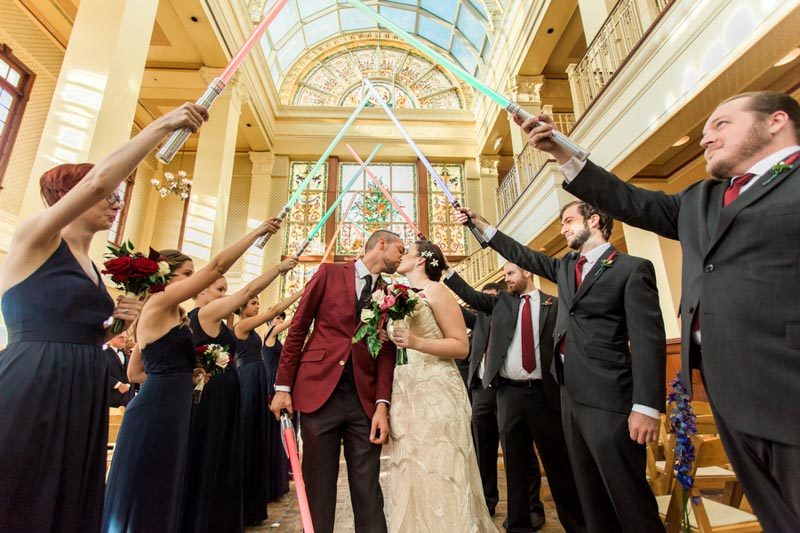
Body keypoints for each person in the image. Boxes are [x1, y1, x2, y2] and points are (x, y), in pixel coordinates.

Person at [522, 91, 800, 531]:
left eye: (721, 124)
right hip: (731, 394)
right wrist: (563, 153)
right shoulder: (702, 199)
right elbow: (630, 200)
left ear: (776, 121)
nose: (705, 139)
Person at [0, 102, 207, 532]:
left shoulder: (91, 265)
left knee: (70, 487)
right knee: (25, 481)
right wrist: (164, 124)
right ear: (72, 198)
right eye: (111, 196)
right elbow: (98, 180)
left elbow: (85, 331)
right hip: (37, 372)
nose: (115, 203)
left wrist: (117, 325)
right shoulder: (36, 237)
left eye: (117, 197)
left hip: (82, 378)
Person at [456, 204, 666, 533]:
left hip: (610, 397)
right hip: (569, 396)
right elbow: (521, 254)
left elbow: (647, 340)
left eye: (569, 221)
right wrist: (481, 225)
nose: (563, 228)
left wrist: (647, 406)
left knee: (626, 493)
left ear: (594, 220)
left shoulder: (632, 268)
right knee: (589, 491)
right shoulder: (566, 268)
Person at [270, 230, 403, 533]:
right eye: (400, 249)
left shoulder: (389, 293)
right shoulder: (328, 273)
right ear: (381, 244)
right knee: (318, 488)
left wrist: (382, 404)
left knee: (368, 490)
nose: (402, 257)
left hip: (363, 401)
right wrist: (282, 388)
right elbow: (298, 328)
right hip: (319, 392)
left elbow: (386, 353)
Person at [445, 262, 585, 533]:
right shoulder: (502, 304)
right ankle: (519, 525)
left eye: (510, 273)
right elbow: (471, 296)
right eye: (504, 274)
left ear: (527, 272)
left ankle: (577, 525)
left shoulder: (554, 305)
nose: (506, 279)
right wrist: (445, 271)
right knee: (515, 463)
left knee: (558, 463)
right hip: (509, 393)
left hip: (545, 393)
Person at [385, 241, 498, 532]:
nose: (401, 256)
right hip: (405, 390)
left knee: (440, 466)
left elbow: (461, 346)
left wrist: (416, 342)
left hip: (436, 389)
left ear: (421, 260)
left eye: (407, 252)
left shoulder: (437, 291)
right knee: (409, 464)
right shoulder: (397, 295)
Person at [181, 256, 297, 533]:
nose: (224, 295)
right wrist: (287, 277)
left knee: (229, 450)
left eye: (225, 290)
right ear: (201, 290)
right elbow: (264, 306)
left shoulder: (222, 322)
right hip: (220, 388)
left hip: (232, 385)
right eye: (219, 290)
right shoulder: (212, 318)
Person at [450, 281, 545, 525]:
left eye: (492, 300)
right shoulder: (479, 320)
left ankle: (532, 507)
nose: (488, 305)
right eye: (484, 301)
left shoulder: (514, 319)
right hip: (482, 392)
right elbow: (455, 308)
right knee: (483, 451)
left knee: (521, 451)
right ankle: (487, 503)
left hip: (507, 390)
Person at [233, 290, 303, 526]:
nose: (257, 306)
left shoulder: (253, 331)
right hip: (249, 380)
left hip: (259, 378)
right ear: (241, 307)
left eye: (257, 303)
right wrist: (302, 294)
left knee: (260, 435)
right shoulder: (243, 326)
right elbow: (274, 313)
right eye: (252, 303)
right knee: (248, 431)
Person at [262, 311, 294, 502]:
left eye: (281, 318)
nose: (280, 321)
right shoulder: (270, 333)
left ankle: (282, 476)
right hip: (272, 385)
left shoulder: (276, 338)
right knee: (276, 433)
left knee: (282, 432)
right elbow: (292, 322)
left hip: (279, 382)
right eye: (277, 318)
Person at [105, 332, 134, 407]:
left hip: (128, 399)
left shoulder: (128, 355)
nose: (124, 339)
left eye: (125, 337)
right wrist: (118, 385)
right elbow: (100, 374)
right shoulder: (103, 354)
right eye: (120, 337)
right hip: (110, 398)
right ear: (110, 339)